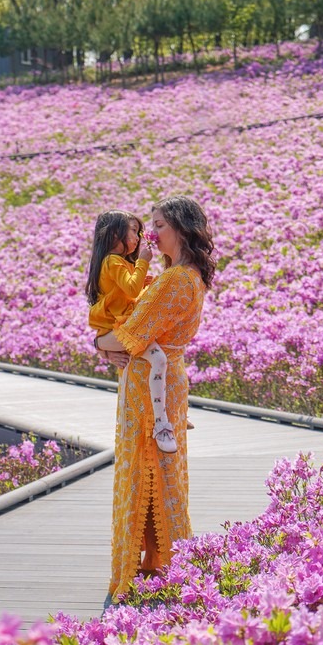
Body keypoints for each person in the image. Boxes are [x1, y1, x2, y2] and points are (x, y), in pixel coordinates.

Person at [94, 196, 215, 608]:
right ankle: (159, 563)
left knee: (146, 468)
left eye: (159, 224)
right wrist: (114, 344)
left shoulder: (175, 280)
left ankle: (155, 567)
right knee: (160, 469)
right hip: (163, 380)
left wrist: (99, 342)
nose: (151, 233)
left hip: (151, 389)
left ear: (180, 228)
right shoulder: (186, 276)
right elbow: (134, 334)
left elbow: (129, 335)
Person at [86, 210, 178, 453]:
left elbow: (127, 292)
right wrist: (144, 261)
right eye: (132, 232)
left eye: (139, 232)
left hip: (117, 329)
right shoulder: (113, 261)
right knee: (159, 359)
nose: (138, 238)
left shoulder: (113, 262)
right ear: (114, 232)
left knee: (158, 359)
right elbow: (130, 286)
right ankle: (162, 422)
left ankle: (169, 414)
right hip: (120, 328)